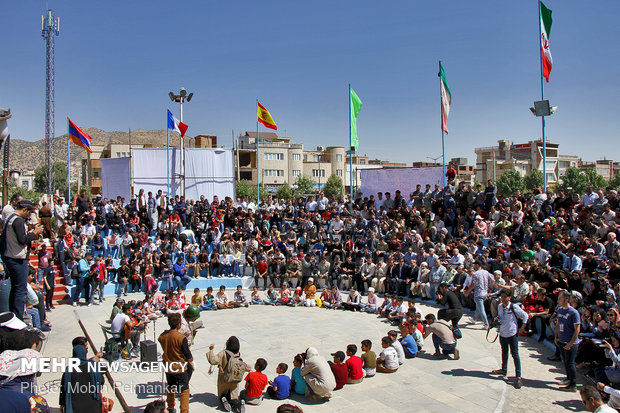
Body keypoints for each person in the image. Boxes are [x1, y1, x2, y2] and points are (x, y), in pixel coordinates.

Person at [1, 199, 43, 319]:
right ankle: (18, 319)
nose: (29, 215)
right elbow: (22, 240)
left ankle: (13, 316)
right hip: (17, 259)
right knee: (20, 290)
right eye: (29, 212)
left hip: (10, 256)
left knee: (15, 289)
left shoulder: (10, 218)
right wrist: (34, 233)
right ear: (24, 209)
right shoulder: (18, 220)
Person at [490, 290, 528, 389]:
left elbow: (525, 316)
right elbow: (500, 317)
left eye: (505, 297)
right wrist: (496, 320)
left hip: (512, 334)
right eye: (501, 297)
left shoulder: (514, 307)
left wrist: (522, 328)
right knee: (504, 352)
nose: (502, 299)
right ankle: (504, 369)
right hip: (503, 334)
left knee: (515, 354)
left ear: (509, 298)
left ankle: (518, 376)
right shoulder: (499, 306)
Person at [158, 313, 193, 413]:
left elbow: (160, 339)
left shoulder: (163, 336)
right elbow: (188, 355)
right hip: (180, 367)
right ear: (179, 324)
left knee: (170, 387)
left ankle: (170, 407)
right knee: (184, 391)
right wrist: (190, 360)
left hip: (168, 367)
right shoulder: (181, 338)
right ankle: (184, 411)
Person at [59, 337, 105, 413]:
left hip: (76, 406)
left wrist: (62, 404)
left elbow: (63, 388)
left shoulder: (68, 370)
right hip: (93, 404)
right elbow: (101, 381)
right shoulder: (93, 367)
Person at [206, 336, 251, 412]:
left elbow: (212, 361)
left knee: (222, 393)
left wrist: (211, 350)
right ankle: (238, 404)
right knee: (233, 396)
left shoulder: (223, 353)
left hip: (224, 378)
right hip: (235, 379)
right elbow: (243, 366)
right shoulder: (238, 354)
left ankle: (224, 400)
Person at [555, 289, 581, 392]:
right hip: (561, 340)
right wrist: (556, 337)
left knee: (570, 363)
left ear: (566, 300)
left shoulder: (573, 313)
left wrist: (571, 343)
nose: (558, 300)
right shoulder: (560, 310)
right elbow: (557, 324)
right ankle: (568, 378)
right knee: (565, 361)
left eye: (560, 298)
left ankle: (573, 385)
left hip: (571, 343)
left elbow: (577, 329)